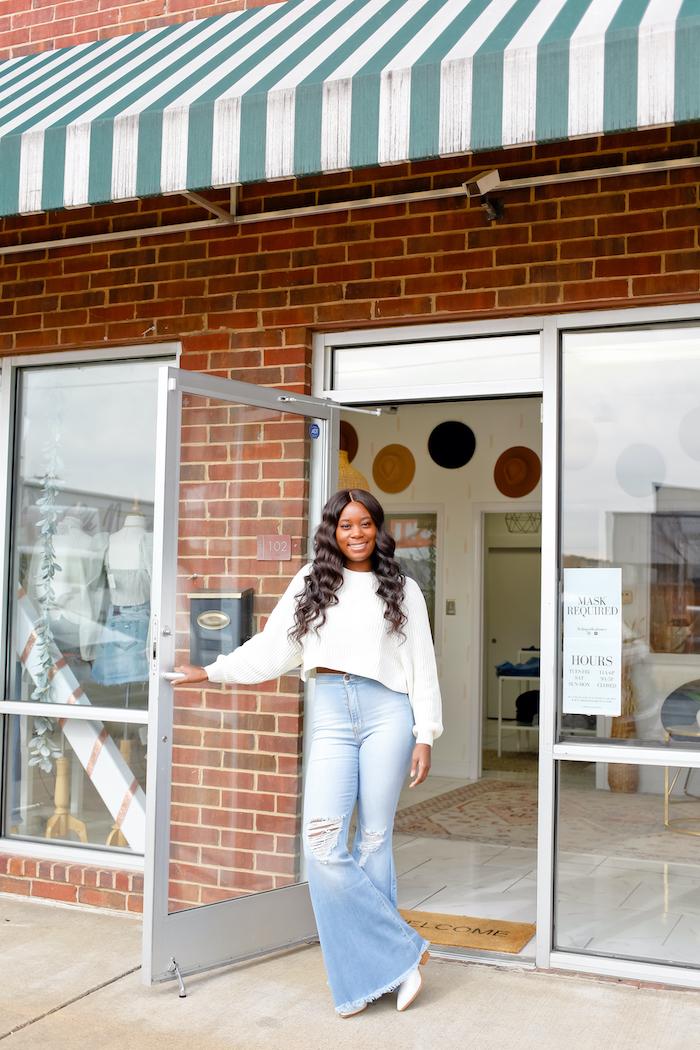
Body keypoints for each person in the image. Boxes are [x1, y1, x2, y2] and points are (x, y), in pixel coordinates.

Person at [174, 489, 443, 1017]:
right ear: (332, 532)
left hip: (389, 711)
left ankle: (374, 978)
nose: (357, 533)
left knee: (373, 840)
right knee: (322, 844)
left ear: (378, 528)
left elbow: (422, 663)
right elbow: (273, 648)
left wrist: (426, 732)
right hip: (331, 712)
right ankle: (402, 955)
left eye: (365, 524)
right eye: (346, 526)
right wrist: (211, 671)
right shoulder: (312, 582)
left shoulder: (403, 589)